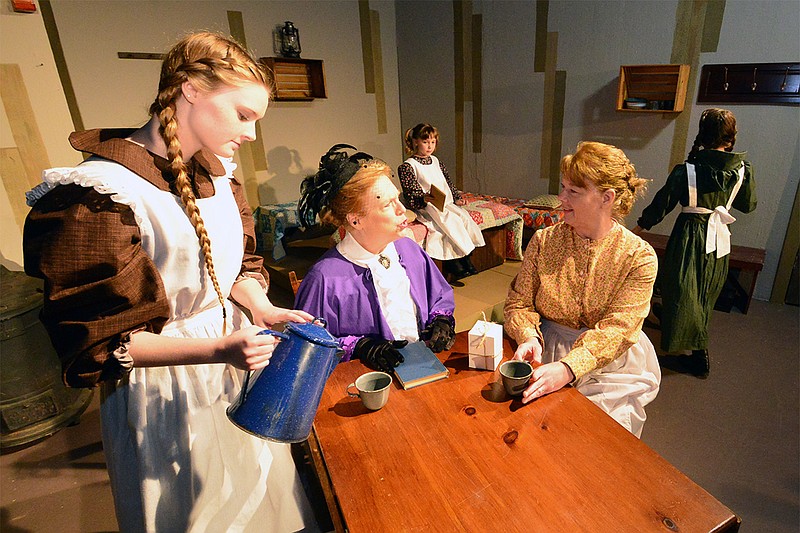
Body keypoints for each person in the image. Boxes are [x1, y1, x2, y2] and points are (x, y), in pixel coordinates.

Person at [23, 32, 319, 532]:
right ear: (190, 90)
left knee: (260, 495)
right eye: (243, 115)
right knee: (192, 509)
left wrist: (260, 307)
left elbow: (236, 266)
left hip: (233, 359)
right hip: (164, 386)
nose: (250, 134)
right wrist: (218, 349)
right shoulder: (100, 194)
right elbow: (102, 341)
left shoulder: (219, 175)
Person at [504, 141, 661, 438]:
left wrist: (568, 368)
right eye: (563, 188)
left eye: (573, 192)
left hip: (612, 362)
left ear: (607, 197)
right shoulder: (545, 240)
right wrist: (527, 335)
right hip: (545, 351)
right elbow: (518, 303)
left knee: (593, 441)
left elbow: (618, 331)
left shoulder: (637, 256)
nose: (561, 198)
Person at [295, 144, 456, 372]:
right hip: (364, 386)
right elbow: (306, 347)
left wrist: (442, 319)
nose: (402, 209)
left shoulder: (409, 250)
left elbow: (439, 296)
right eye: (387, 204)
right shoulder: (325, 279)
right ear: (355, 220)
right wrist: (359, 346)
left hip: (419, 370)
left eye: (397, 198)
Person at [633, 108, 756, 378]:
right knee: (705, 289)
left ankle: (698, 356)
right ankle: (672, 320)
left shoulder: (687, 171)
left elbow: (662, 204)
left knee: (683, 288)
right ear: (731, 137)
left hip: (690, 234)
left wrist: (638, 228)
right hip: (720, 237)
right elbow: (749, 205)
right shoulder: (742, 170)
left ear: (703, 134)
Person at [397, 123, 485, 280]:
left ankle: (466, 258)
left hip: (444, 204)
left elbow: (448, 183)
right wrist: (423, 198)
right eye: (425, 142)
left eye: (432, 142)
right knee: (448, 222)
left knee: (463, 218)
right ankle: (454, 261)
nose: (429, 146)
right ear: (416, 141)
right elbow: (411, 192)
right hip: (426, 206)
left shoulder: (436, 161)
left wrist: (456, 198)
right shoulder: (408, 166)